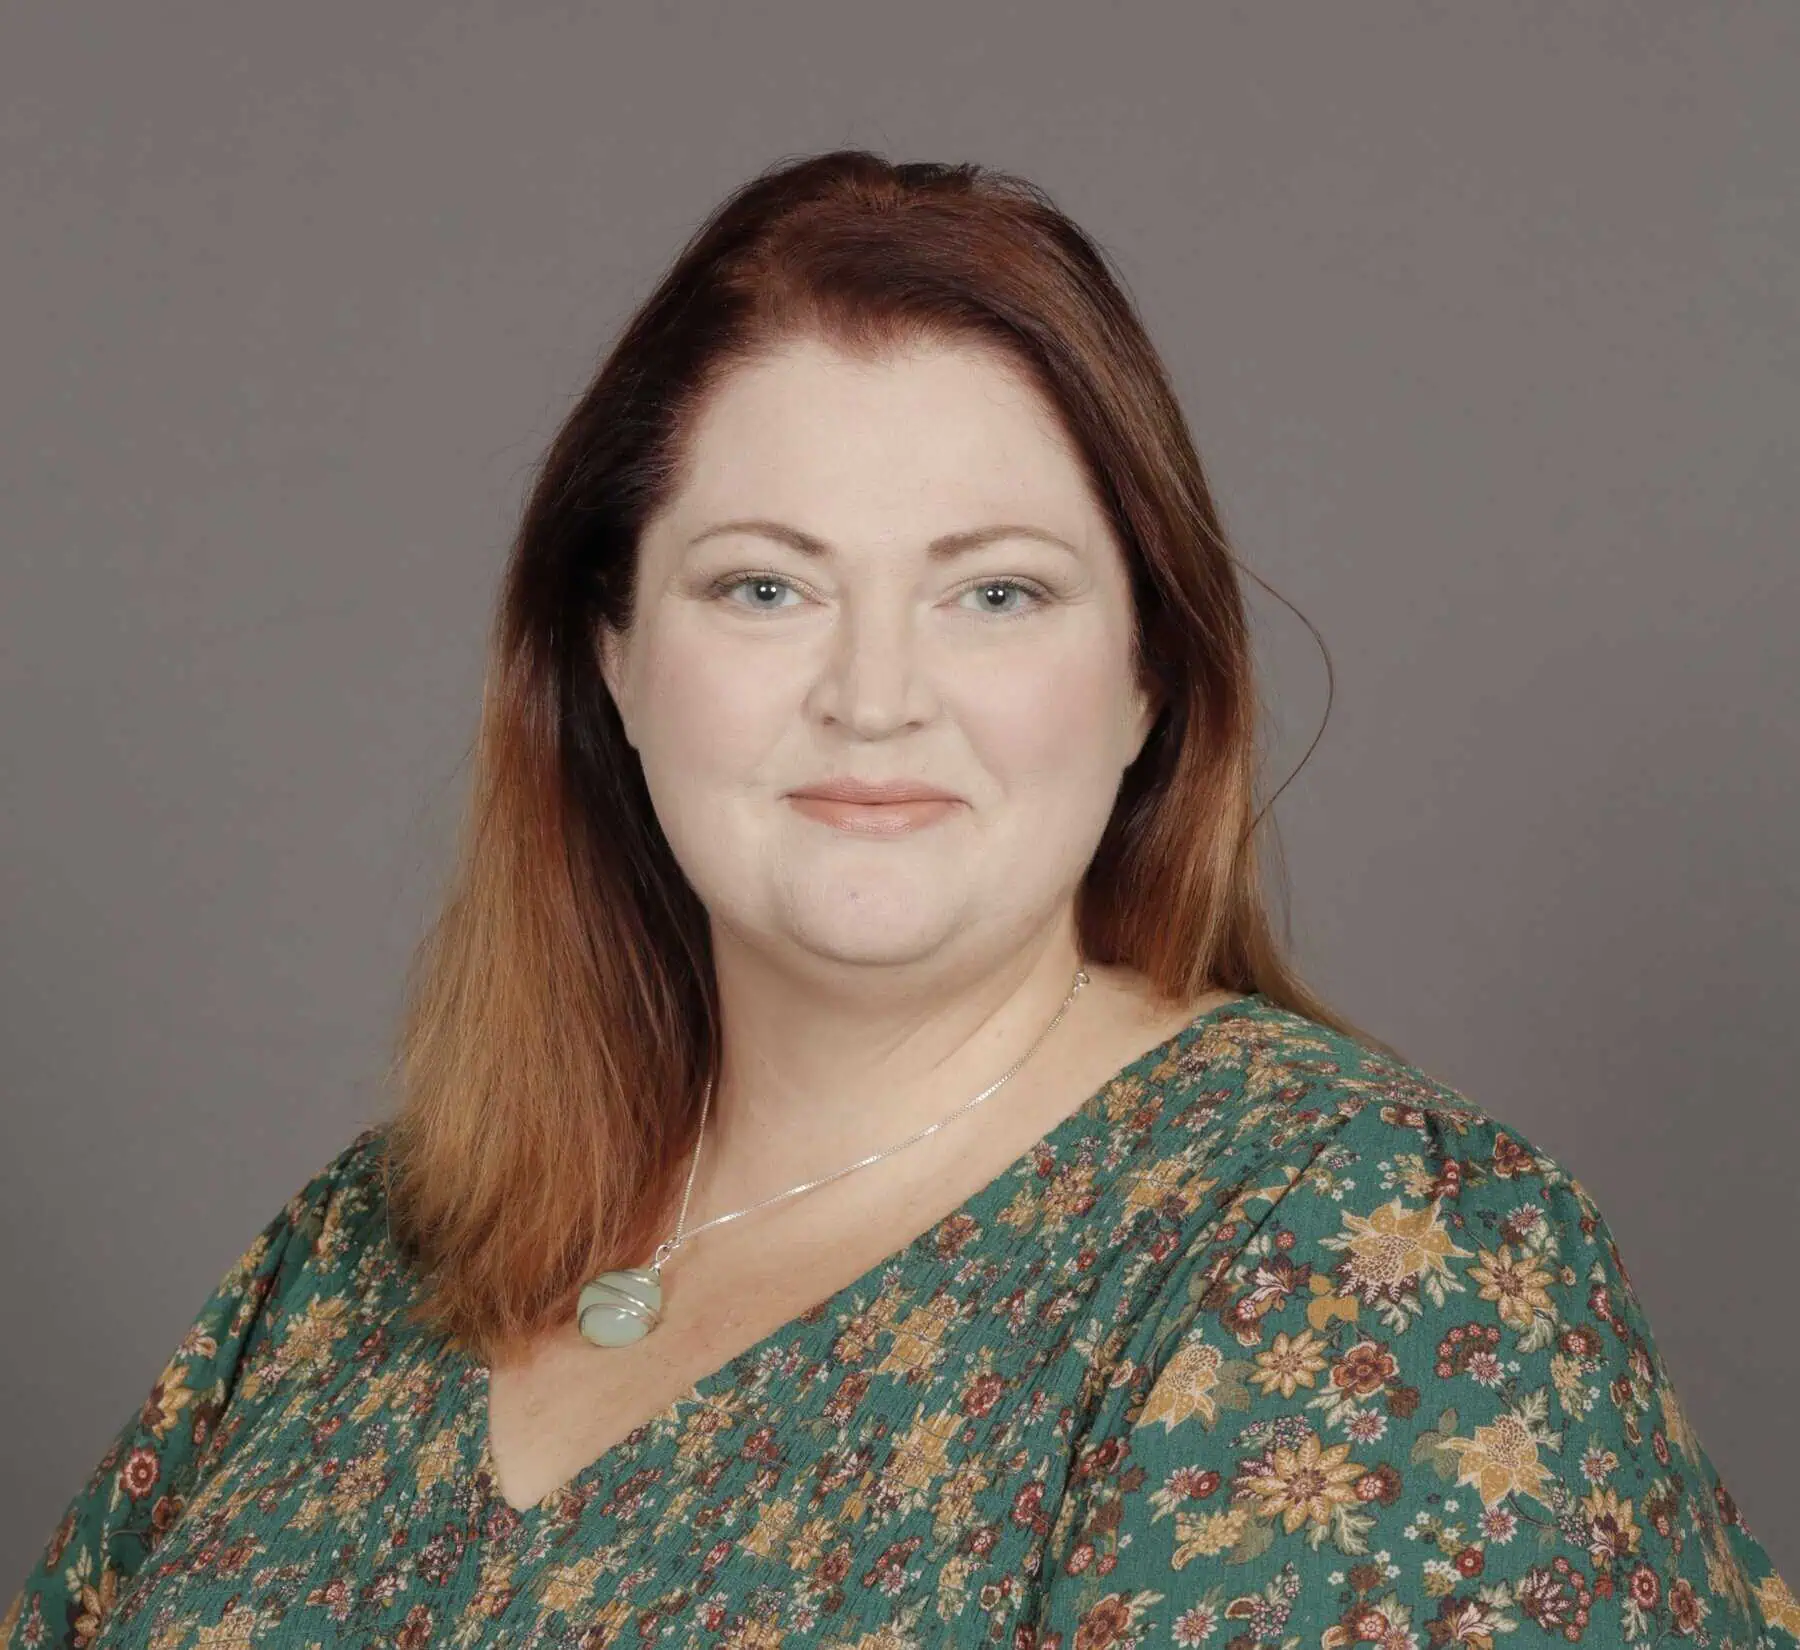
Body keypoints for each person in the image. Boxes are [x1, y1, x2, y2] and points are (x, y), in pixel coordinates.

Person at [4, 149, 1791, 1650]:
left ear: (1152, 676)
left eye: (996, 594)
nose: (874, 694)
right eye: (764, 588)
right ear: (609, 657)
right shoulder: (366, 1255)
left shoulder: (1354, 1254)